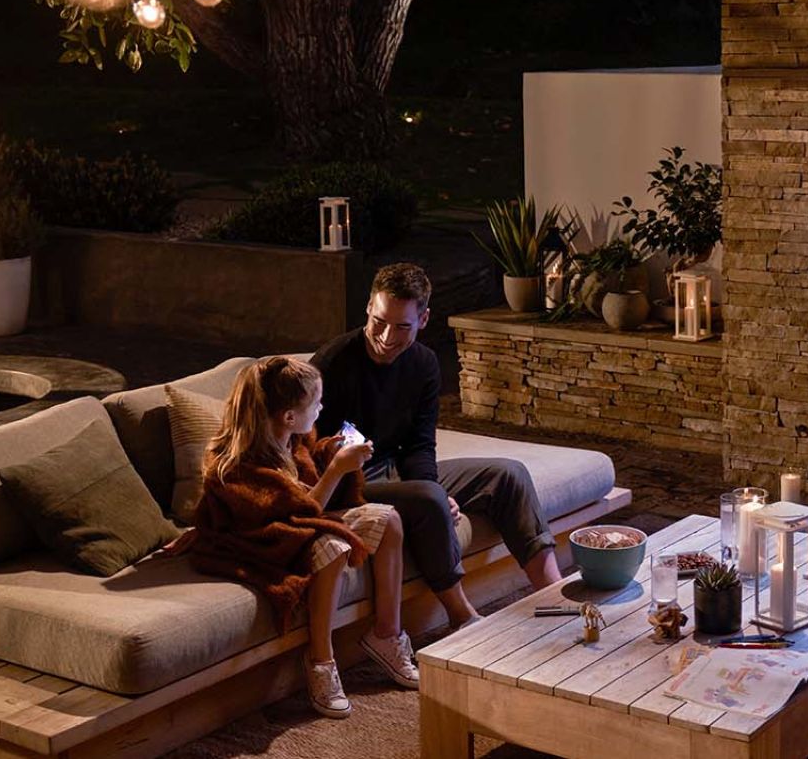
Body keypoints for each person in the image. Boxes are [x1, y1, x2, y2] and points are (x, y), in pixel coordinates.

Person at [311, 263, 561, 632]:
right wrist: (432, 494)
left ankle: (555, 598)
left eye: (401, 326)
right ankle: (463, 618)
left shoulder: (424, 365)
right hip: (346, 484)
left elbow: (420, 444)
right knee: (428, 497)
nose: (385, 336)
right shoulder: (332, 365)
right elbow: (308, 452)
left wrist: (438, 489)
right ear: (368, 307)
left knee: (509, 475)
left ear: (424, 318)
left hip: (396, 470)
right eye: (379, 321)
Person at [188, 356, 419, 719]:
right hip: (262, 541)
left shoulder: (292, 439)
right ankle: (321, 662)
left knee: (389, 520)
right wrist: (339, 469)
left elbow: (307, 479)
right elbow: (294, 515)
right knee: (333, 547)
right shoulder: (234, 465)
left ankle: (386, 635)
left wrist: (331, 451)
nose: (322, 408)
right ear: (288, 417)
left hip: (301, 525)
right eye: (316, 403)